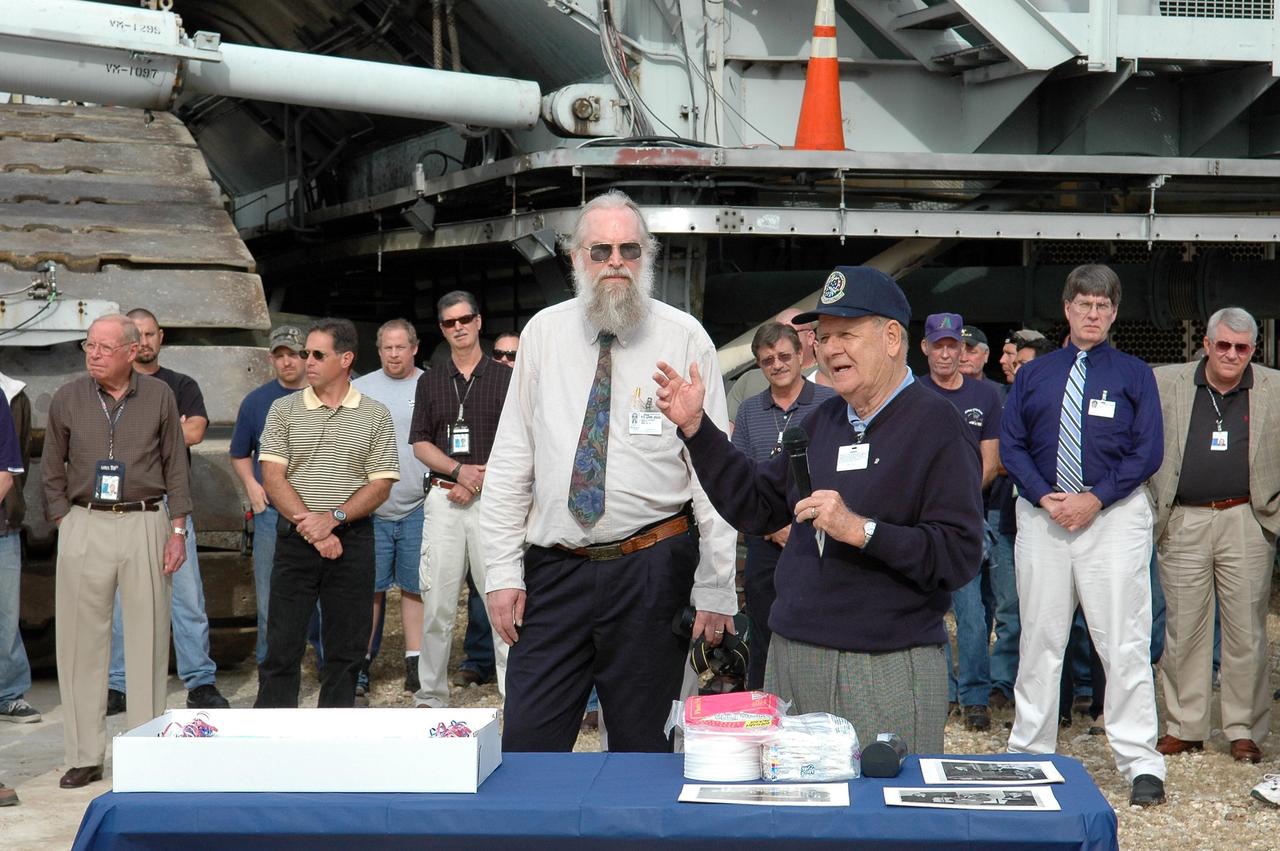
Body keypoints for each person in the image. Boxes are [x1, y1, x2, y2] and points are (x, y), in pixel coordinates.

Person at [656, 265, 983, 754]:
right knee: (801, 818)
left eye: (846, 334)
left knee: (884, 819)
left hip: (886, 665)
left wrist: (863, 530)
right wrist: (697, 430)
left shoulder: (939, 425)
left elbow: (958, 554)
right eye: (824, 336)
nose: (830, 349)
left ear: (892, 338)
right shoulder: (821, 422)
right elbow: (757, 505)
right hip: (795, 658)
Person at [482, 190, 737, 752]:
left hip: (652, 573)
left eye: (629, 249)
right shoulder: (542, 335)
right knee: (527, 744)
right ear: (575, 259)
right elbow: (510, 461)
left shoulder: (686, 338)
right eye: (600, 251)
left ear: (648, 257)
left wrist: (717, 585)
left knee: (643, 751)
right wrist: (502, 574)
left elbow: (713, 477)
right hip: (554, 573)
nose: (615, 263)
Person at [1000, 264, 1167, 807]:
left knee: (1122, 641)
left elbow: (1149, 450)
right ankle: (1029, 753)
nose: (1093, 314)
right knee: (1040, 638)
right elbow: (1012, 445)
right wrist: (1045, 496)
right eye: (1084, 304)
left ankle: (1141, 761)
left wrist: (1095, 498)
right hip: (1044, 516)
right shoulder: (1034, 375)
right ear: (1067, 308)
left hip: (1112, 517)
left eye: (1103, 306)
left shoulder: (1135, 373)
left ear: (1114, 313)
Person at [43, 314, 190, 789]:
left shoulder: (161, 396)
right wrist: (66, 521)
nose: (95, 355)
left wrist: (178, 529)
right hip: (85, 521)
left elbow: (175, 463)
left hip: (146, 520)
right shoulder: (68, 397)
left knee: (148, 636)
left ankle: (146, 745)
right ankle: (85, 754)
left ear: (132, 351)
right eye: (89, 346)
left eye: (105, 347)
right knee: (81, 643)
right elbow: (51, 466)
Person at [1147, 306, 1280, 764]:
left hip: (1247, 518)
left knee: (1247, 631)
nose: (1231, 354)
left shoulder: (1275, 388)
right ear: (1205, 344)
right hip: (1183, 518)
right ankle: (1186, 726)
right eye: (1222, 344)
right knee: (1183, 628)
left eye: (1241, 347)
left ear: (1253, 350)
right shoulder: (1166, 382)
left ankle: (1244, 728)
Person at [254, 318, 399, 708]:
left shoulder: (375, 414)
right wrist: (314, 528)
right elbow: (272, 476)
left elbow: (380, 484)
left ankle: (333, 740)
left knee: (347, 651)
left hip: (351, 540)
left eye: (318, 354)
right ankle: (268, 738)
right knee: (281, 647)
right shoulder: (283, 410)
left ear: (346, 359)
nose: (308, 361)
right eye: (306, 354)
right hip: (296, 539)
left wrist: (332, 519)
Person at [104, 308, 229, 715]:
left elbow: (194, 431)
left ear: (161, 337)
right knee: (122, 600)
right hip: (121, 508)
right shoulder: (110, 386)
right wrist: (165, 429)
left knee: (187, 598)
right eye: (136, 334)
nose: (143, 341)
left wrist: (142, 432)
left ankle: (200, 681)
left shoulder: (180, 384)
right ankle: (119, 684)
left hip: (172, 509)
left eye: (150, 334)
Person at [410, 292, 511, 707]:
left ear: (479, 321)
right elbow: (419, 443)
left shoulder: (506, 378)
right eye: (449, 322)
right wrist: (459, 471)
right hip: (444, 499)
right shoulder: (430, 379)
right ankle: (430, 695)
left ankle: (516, 697)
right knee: (437, 604)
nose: (458, 327)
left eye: (465, 319)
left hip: (495, 501)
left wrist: (477, 480)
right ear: (443, 329)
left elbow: (519, 442)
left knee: (502, 600)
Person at [731, 322, 836, 689]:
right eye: (767, 360)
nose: (777, 365)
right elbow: (742, 480)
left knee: (820, 628)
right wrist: (773, 528)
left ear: (801, 355)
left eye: (784, 356)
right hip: (765, 540)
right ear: (759, 366)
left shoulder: (830, 404)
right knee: (763, 630)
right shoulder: (748, 411)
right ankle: (763, 709)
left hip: (821, 539)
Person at [917, 312, 1002, 732]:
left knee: (972, 613)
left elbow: (992, 462)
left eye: (955, 345)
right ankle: (942, 692)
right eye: (940, 345)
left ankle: (974, 697)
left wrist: (957, 498)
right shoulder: (912, 392)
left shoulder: (985, 396)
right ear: (925, 348)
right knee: (928, 610)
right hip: (919, 520)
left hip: (966, 516)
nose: (947, 352)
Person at [351, 318, 428, 697]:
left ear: (414, 348)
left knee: (415, 587)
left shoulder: (430, 385)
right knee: (370, 588)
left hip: (418, 502)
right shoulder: (358, 389)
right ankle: (361, 666)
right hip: (371, 506)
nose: (394, 354)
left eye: (401, 347)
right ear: (378, 351)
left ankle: (416, 664)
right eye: (387, 347)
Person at [229, 325, 308, 667]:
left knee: (323, 596)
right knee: (269, 596)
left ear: (308, 356)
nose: (287, 362)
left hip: (318, 512)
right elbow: (239, 451)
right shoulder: (257, 401)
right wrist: (251, 484)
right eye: (280, 356)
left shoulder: (326, 396)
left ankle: (324, 664)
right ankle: (269, 668)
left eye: (294, 354)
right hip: (272, 515)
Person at [0, 371, 38, 726]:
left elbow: (9, 470)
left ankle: (9, 694)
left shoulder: (9, 395)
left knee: (5, 616)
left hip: (1, 526)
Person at [727, 308, 829, 425]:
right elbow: (729, 433)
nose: (777, 365)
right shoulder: (748, 380)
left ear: (810, 337)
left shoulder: (829, 378)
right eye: (774, 331)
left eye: (789, 331)